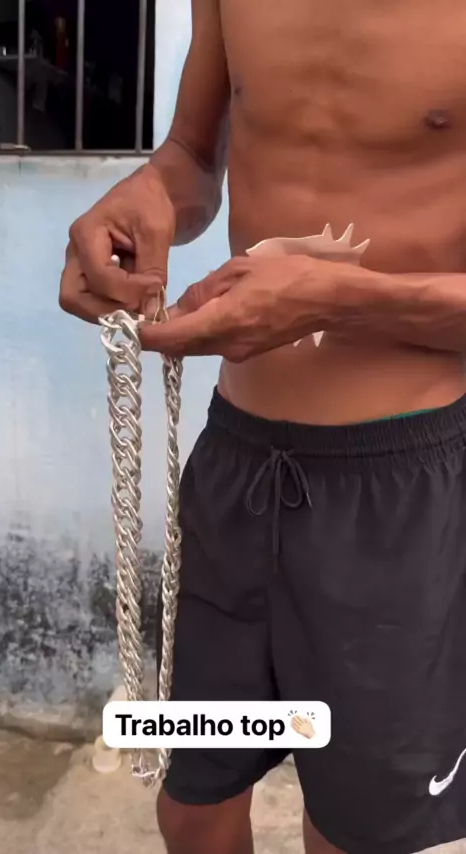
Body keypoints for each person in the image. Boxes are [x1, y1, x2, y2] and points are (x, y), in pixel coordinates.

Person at [59, 2, 466, 852]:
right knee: (194, 806)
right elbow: (191, 155)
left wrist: (340, 300)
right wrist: (145, 197)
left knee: (351, 826)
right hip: (236, 466)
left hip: (398, 487)